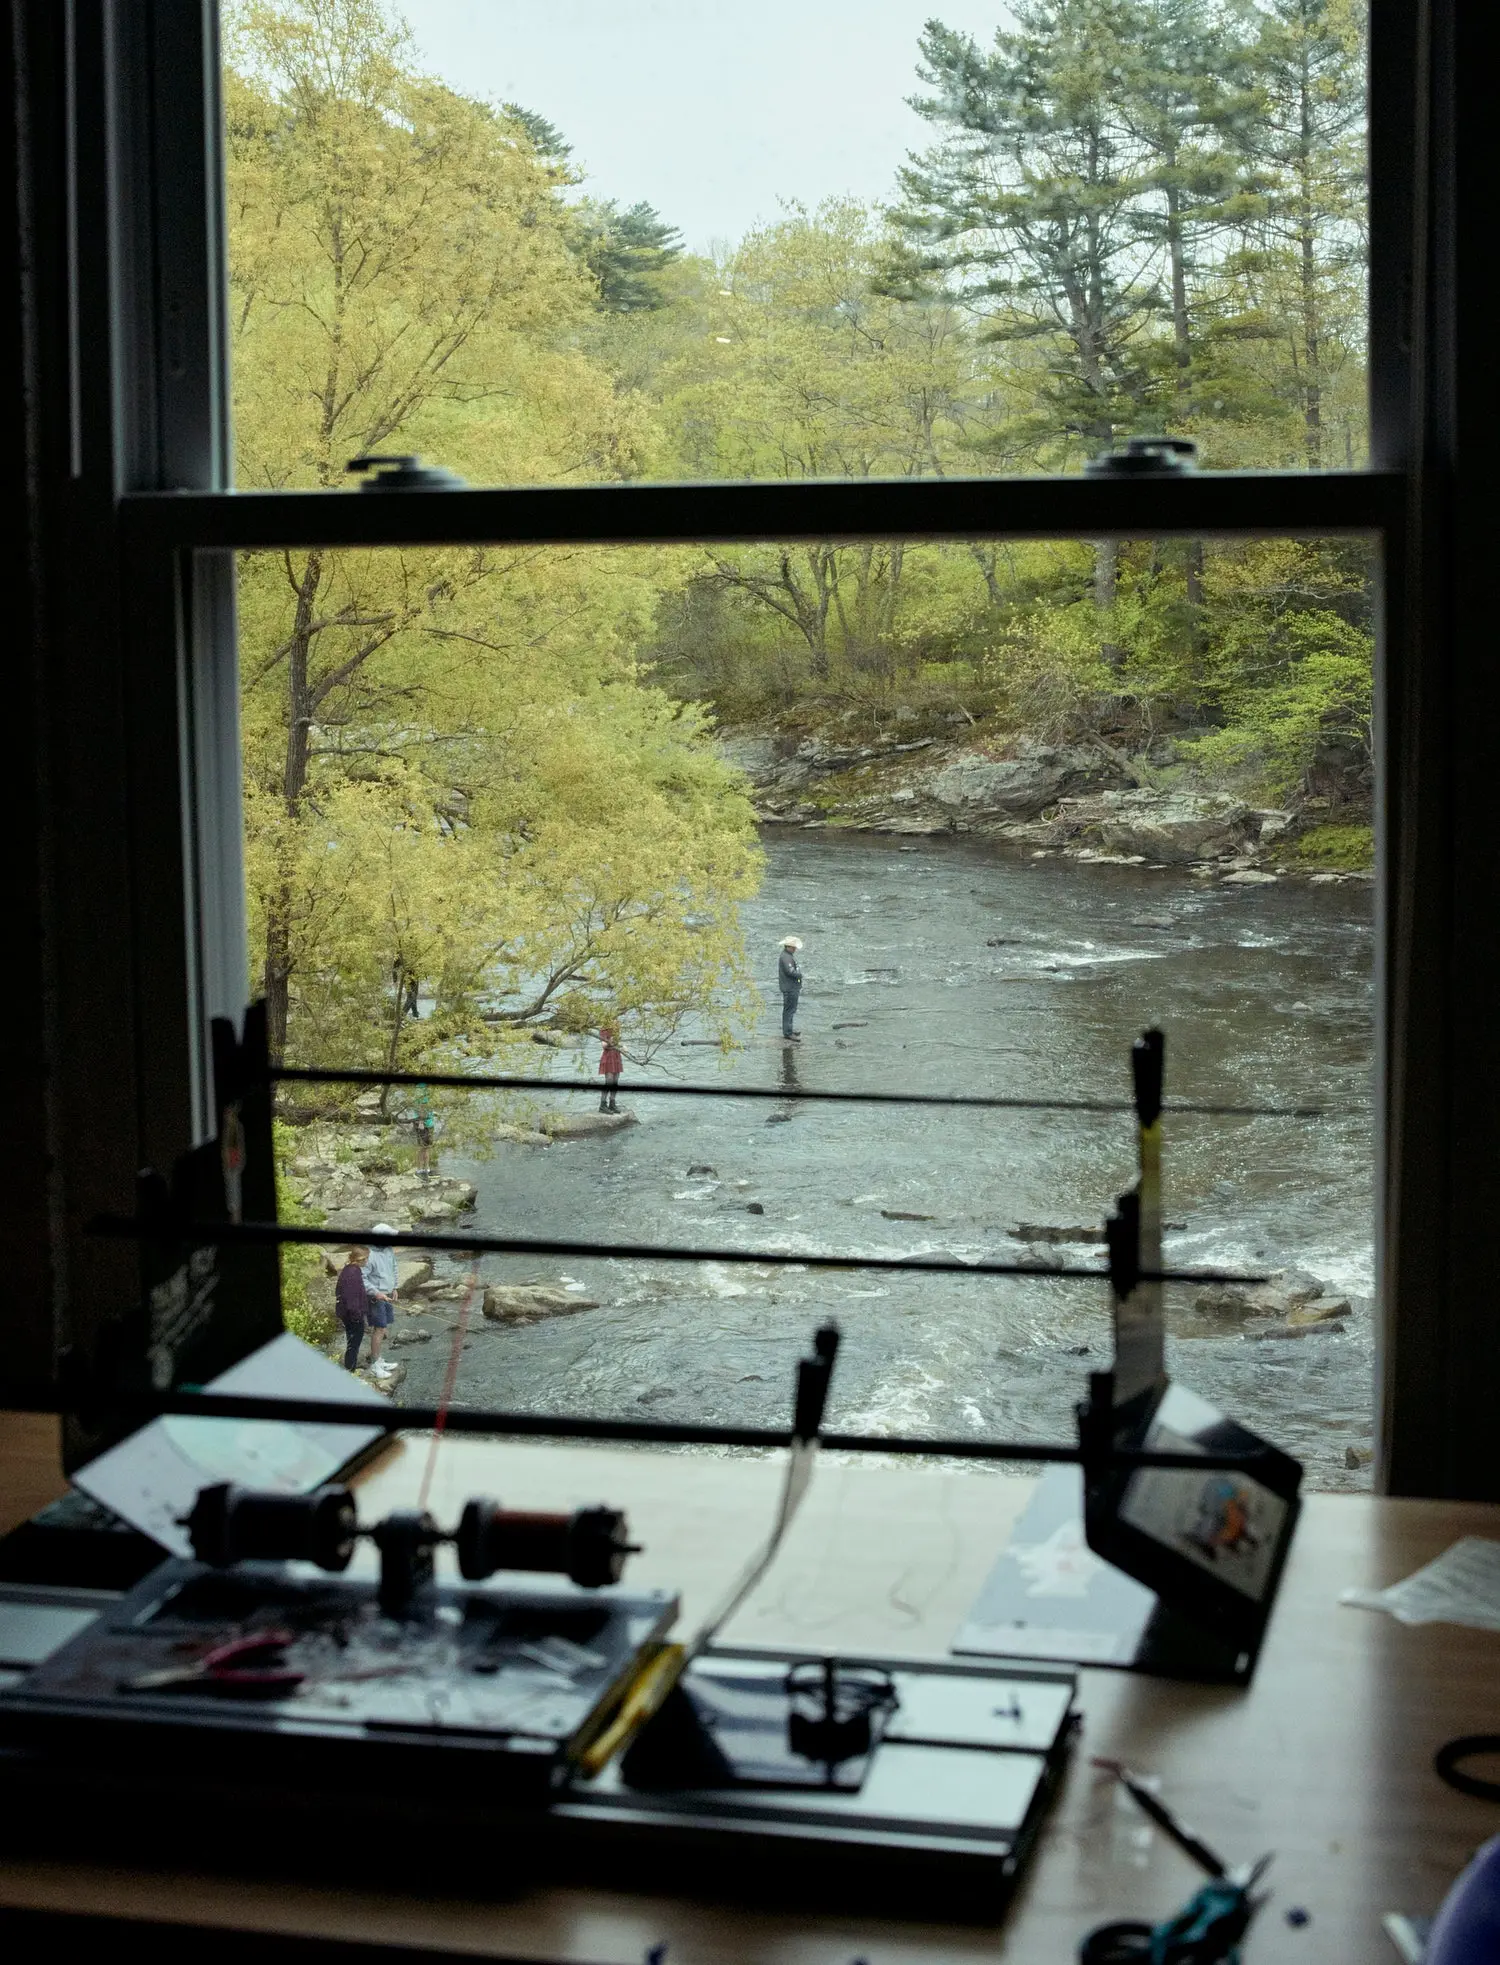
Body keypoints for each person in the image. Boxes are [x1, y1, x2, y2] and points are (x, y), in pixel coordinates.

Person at [362, 1227, 399, 1379]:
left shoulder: (388, 1249)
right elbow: (362, 1278)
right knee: (379, 1329)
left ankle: (379, 1360)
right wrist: (376, 1293)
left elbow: (394, 1268)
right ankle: (375, 1365)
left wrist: (395, 1287)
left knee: (383, 1329)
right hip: (375, 1297)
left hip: (388, 1294)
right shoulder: (368, 1255)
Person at [334, 1245, 370, 1373]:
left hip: (348, 1313)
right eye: (367, 1258)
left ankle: (350, 1369)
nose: (368, 1261)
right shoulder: (353, 1273)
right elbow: (351, 1298)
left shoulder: (349, 1269)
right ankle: (350, 1371)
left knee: (352, 1342)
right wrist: (357, 1317)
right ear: (361, 1259)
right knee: (353, 1344)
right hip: (352, 1315)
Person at [777, 936, 803, 1041]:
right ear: (789, 947)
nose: (795, 949)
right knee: (789, 1010)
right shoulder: (786, 957)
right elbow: (790, 972)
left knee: (790, 1009)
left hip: (790, 987)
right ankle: (788, 1033)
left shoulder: (786, 955)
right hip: (790, 988)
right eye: (794, 947)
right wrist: (799, 974)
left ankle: (789, 1030)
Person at [599, 1024, 624, 1112]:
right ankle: (602, 1105)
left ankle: (612, 1104)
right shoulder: (603, 1029)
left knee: (615, 1081)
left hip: (616, 1056)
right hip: (608, 1056)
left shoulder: (617, 1028)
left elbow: (618, 1043)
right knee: (609, 1081)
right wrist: (611, 1038)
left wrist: (622, 1046)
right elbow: (604, 1045)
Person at [412, 1083, 435, 1175]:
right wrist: (421, 1122)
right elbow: (422, 1106)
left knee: (425, 1147)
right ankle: (421, 1169)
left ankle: (426, 1169)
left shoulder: (419, 1088)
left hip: (425, 1123)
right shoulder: (422, 1089)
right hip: (425, 1124)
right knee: (423, 1148)